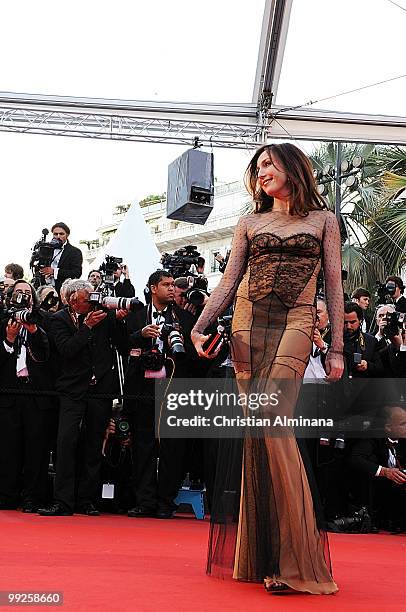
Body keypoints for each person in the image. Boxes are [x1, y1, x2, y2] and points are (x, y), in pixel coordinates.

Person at [191, 143, 344, 595]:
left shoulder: (323, 221)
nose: (261, 173)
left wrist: (336, 347)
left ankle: (299, 558)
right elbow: (229, 280)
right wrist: (199, 326)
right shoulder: (248, 223)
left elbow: (334, 286)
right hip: (247, 324)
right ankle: (265, 557)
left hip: (297, 321)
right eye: (256, 167)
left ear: (293, 168)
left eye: (268, 165)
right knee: (259, 434)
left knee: (275, 425)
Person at [39, 222, 83, 295]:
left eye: (61, 234)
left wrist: (54, 272)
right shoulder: (46, 249)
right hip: (44, 289)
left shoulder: (75, 252)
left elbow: (77, 273)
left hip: (63, 292)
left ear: (67, 235)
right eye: (55, 234)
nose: (58, 236)